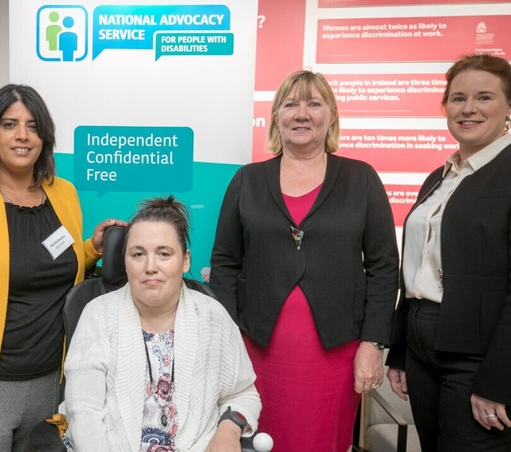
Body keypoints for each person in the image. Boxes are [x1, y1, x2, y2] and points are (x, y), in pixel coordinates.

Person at [0, 84, 123, 452]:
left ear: (44, 137)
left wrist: (90, 250)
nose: (22, 136)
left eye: (33, 126)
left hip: (51, 383)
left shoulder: (64, 194)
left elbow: (46, 262)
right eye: (10, 124)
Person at [210, 69, 399, 452]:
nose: (302, 113)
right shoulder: (246, 180)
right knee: (258, 439)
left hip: (337, 352)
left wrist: (373, 344)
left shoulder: (361, 179)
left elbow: (383, 268)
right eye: (291, 104)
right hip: (256, 349)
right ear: (276, 116)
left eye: (314, 104)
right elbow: (225, 263)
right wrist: (228, 341)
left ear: (331, 116)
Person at [62, 196, 262, 452]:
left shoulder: (212, 317)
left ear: (186, 260)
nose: (150, 267)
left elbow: (243, 394)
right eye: (138, 254)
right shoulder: (98, 316)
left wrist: (229, 429)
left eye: (164, 254)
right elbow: (83, 413)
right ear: (125, 261)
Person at [386, 54, 511, 452]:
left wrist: (499, 381)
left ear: (509, 106)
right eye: (458, 98)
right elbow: (418, 269)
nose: (469, 108)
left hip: (478, 358)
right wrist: (402, 350)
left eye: (484, 97)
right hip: (424, 347)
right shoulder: (441, 176)